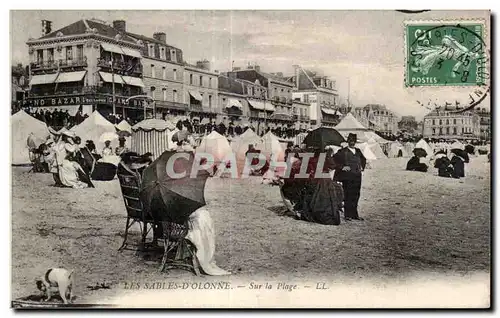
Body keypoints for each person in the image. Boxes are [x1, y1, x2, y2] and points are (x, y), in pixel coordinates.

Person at [333, 133, 366, 221]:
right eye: (350, 141)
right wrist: (342, 167)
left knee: (356, 194)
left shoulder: (358, 151)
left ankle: (354, 214)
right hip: (347, 177)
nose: (352, 143)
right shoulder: (342, 152)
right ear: (348, 141)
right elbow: (334, 161)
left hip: (357, 176)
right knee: (348, 195)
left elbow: (364, 159)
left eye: (353, 141)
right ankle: (347, 214)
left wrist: (362, 167)